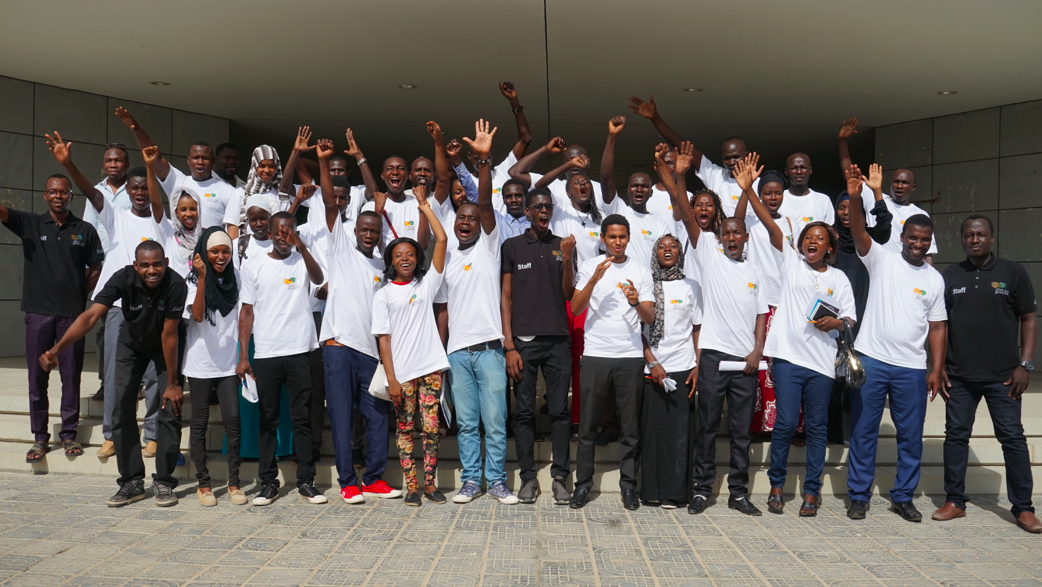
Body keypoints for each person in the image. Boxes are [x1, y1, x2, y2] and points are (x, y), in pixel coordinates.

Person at [734, 154, 857, 517]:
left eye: (819, 238)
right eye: (808, 238)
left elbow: (850, 318)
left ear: (830, 247)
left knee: (817, 428)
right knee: (786, 423)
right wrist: (748, 191)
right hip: (788, 358)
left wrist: (837, 324)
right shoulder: (791, 262)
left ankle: (812, 492)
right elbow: (772, 227)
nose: (812, 242)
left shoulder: (839, 279)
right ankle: (776, 485)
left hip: (821, 364)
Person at [660, 142, 768, 517]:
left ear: (746, 238)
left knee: (741, 433)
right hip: (713, 357)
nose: (733, 237)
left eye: (738, 233)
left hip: (746, 362)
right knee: (706, 427)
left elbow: (760, 316)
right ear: (720, 238)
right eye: (728, 234)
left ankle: (738, 492)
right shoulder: (708, 253)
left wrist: (757, 351)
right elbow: (690, 216)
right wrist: (680, 174)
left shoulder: (755, 270)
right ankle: (702, 489)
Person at [48, 135, 171, 460]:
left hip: (155, 309)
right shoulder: (116, 217)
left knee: (156, 376)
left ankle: (153, 434)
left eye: (146, 187)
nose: (141, 192)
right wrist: (67, 164)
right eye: (135, 188)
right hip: (119, 308)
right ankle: (112, 434)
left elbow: (157, 200)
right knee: (117, 375)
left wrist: (148, 165)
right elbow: (91, 191)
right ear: (127, 192)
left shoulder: (162, 220)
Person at [42, 239, 186, 507]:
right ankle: (132, 482)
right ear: (135, 266)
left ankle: (165, 481)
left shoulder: (176, 285)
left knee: (170, 408)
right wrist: (58, 348)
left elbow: (169, 334)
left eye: (157, 264)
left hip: (165, 346)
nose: (151, 270)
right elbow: (90, 316)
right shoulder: (122, 278)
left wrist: (174, 383)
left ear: (165, 263)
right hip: (130, 344)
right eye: (145, 265)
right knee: (120, 408)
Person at [842, 165, 946, 523]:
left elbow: (937, 328)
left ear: (929, 242)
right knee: (863, 431)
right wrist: (856, 195)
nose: (918, 245)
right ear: (902, 236)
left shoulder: (934, 279)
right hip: (872, 360)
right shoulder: (881, 259)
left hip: (913, 369)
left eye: (924, 241)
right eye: (912, 238)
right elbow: (857, 230)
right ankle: (858, 495)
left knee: (910, 437)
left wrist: (936, 369)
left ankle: (903, 496)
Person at [934, 214, 1040, 533]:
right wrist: (938, 369)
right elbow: (939, 325)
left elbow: (1029, 319)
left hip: (1004, 377)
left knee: (1013, 438)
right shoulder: (949, 275)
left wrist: (1026, 364)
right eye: (969, 235)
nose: (975, 239)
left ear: (991, 238)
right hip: (960, 376)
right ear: (962, 239)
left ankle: (1023, 508)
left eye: (981, 234)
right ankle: (955, 501)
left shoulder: (1013, 272)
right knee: (955, 437)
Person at [432, 120, 518, 505]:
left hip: (489, 349)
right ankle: (471, 481)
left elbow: (483, 203)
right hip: (457, 353)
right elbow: (445, 309)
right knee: (467, 424)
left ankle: (497, 481)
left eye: (471, 219)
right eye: (460, 219)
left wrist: (484, 162)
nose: (466, 222)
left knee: (496, 422)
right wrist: (439, 350)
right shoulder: (447, 259)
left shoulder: (489, 246)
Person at [311, 139, 400, 504]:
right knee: (344, 419)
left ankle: (375, 478)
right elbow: (332, 203)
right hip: (339, 344)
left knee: (377, 416)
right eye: (364, 229)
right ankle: (348, 481)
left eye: (374, 231)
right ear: (355, 230)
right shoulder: (340, 245)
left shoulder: (382, 263)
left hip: (371, 350)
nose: (368, 234)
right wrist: (321, 162)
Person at [2, 173, 103, 462]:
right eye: (52, 192)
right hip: (38, 313)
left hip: (72, 315)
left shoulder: (84, 229)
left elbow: (96, 265)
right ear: (45, 196)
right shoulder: (30, 223)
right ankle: (40, 438)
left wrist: (78, 291)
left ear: (71, 195)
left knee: (71, 376)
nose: (58, 196)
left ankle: (69, 434)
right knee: (37, 378)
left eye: (63, 192)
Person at [237, 211, 327, 506]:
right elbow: (246, 312)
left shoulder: (303, 260)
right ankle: (268, 483)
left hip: (301, 350)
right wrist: (243, 355)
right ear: (271, 234)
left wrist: (301, 245)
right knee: (268, 420)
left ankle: (306, 482)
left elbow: (319, 278)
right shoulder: (254, 265)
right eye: (279, 232)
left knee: (302, 419)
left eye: (289, 231)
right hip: (266, 354)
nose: (284, 236)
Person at [569, 214, 655, 510]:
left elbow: (650, 317)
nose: (617, 242)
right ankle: (583, 485)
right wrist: (594, 279)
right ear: (603, 238)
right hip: (595, 354)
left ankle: (629, 486)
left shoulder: (641, 271)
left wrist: (635, 301)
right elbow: (577, 307)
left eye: (622, 237)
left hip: (630, 356)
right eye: (612, 237)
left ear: (628, 238)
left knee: (630, 427)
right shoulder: (590, 266)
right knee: (588, 426)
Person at [372, 185, 449, 507]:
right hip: (401, 374)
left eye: (410, 254)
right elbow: (384, 340)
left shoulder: (426, 284)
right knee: (405, 431)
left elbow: (442, 240)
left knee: (430, 430)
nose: (405, 259)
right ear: (391, 260)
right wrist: (391, 378)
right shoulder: (384, 294)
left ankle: (430, 485)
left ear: (418, 259)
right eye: (398, 255)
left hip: (430, 367)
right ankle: (412, 487)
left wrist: (423, 205)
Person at [502, 189, 576, 505]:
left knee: (560, 412)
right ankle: (528, 478)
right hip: (524, 343)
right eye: (539, 206)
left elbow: (569, 293)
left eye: (549, 206)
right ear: (528, 211)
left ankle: (560, 477)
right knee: (523, 414)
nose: (544, 210)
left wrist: (569, 257)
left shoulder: (562, 246)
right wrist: (509, 344)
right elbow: (505, 297)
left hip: (558, 340)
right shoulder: (512, 246)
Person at [827, 167, 893, 444]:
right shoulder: (829, 241)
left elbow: (887, 226)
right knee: (832, 379)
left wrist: (877, 194)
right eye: (840, 207)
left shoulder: (868, 240)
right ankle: (832, 434)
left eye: (850, 207)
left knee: (856, 376)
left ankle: (853, 434)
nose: (845, 212)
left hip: (864, 318)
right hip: (832, 321)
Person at [638, 233, 702, 510]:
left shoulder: (692, 286)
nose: (667, 250)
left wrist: (699, 365)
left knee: (679, 434)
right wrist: (652, 362)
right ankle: (651, 490)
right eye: (661, 247)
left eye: (672, 246)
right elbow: (636, 331)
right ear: (655, 253)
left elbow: (698, 327)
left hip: (683, 367)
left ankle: (675, 493)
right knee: (651, 431)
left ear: (679, 253)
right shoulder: (645, 285)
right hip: (651, 368)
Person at [184, 227, 246, 506]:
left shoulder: (237, 278)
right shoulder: (193, 278)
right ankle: (203, 484)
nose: (220, 256)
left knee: (233, 421)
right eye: (214, 251)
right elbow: (197, 315)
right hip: (199, 363)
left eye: (226, 251)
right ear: (203, 253)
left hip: (227, 363)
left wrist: (243, 356)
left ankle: (234, 482)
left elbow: (245, 316)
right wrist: (202, 277)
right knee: (199, 423)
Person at [733, 166, 793, 436]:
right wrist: (746, 187)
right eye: (767, 192)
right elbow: (735, 220)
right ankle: (757, 426)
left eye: (777, 192)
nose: (772, 197)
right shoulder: (751, 223)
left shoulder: (791, 222)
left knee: (781, 364)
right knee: (758, 364)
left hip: (785, 302)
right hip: (759, 301)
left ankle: (784, 424)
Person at [115, 107, 240, 234]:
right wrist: (138, 131)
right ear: (188, 160)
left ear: (213, 161)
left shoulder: (228, 191)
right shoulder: (177, 181)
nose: (200, 162)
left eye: (205, 158)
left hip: (210, 251)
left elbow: (232, 229)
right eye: (196, 158)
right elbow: (154, 155)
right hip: (179, 249)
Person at [628, 95, 755, 215]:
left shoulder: (759, 184)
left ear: (746, 155)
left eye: (736, 157)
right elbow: (681, 144)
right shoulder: (717, 176)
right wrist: (655, 118)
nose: (731, 161)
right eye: (726, 158)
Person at [839, 118, 937, 263]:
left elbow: (928, 253)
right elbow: (849, 175)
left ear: (913, 187)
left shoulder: (920, 214)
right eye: (896, 182)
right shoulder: (876, 197)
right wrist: (842, 141)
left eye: (905, 183)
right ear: (890, 183)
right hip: (878, 266)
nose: (899, 185)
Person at [82, 143, 133, 400]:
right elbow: (88, 230)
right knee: (104, 332)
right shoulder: (96, 192)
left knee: (134, 328)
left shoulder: (136, 189)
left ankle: (134, 384)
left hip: (131, 268)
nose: (113, 164)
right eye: (109, 160)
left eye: (118, 160)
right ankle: (106, 381)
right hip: (103, 269)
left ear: (126, 163)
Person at [599, 116, 672, 266]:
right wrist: (612, 137)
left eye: (644, 186)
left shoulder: (660, 225)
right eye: (634, 186)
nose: (639, 189)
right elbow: (606, 179)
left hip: (646, 287)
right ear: (626, 192)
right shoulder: (617, 209)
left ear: (651, 193)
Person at [166, 188, 202, 278]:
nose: (189, 214)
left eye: (193, 209)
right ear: (176, 212)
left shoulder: (206, 237)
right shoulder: (170, 235)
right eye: (183, 209)